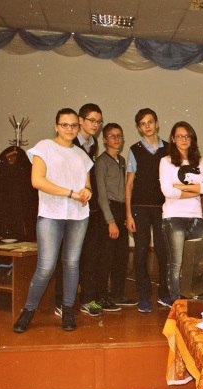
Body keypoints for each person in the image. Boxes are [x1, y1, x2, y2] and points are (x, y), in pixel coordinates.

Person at [13, 108, 93, 333]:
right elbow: (37, 181)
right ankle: (28, 310)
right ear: (56, 126)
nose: (70, 129)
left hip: (78, 215)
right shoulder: (44, 147)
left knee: (71, 264)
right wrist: (70, 193)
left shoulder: (82, 155)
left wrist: (87, 192)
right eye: (65, 125)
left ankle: (68, 310)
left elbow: (87, 185)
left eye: (74, 125)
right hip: (51, 214)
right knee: (46, 266)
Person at [159, 121, 203, 306]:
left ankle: (196, 299)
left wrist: (182, 187)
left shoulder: (199, 161)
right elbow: (167, 191)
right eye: (179, 136)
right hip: (173, 217)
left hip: (195, 216)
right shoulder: (166, 161)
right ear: (173, 139)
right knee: (176, 263)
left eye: (187, 136)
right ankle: (177, 303)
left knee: (202, 259)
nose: (183, 139)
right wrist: (196, 189)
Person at [125, 108, 171, 314]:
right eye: (143, 124)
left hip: (163, 209)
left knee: (164, 252)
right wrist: (128, 213)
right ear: (139, 128)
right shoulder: (134, 150)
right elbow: (129, 184)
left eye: (150, 122)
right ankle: (143, 295)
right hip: (139, 209)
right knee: (141, 252)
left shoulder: (169, 149)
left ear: (157, 123)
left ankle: (164, 293)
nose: (147, 126)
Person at [75, 103, 107, 317]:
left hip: (90, 208)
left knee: (92, 255)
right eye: (92, 120)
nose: (96, 125)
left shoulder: (93, 144)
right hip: (71, 206)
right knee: (70, 257)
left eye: (99, 122)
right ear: (80, 120)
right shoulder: (71, 142)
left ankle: (88, 299)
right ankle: (64, 301)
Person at [93, 123, 128, 313]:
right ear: (105, 139)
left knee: (121, 255)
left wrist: (126, 214)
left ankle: (117, 294)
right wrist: (110, 221)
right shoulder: (102, 162)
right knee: (106, 257)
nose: (116, 139)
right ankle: (101, 296)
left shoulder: (122, 160)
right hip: (108, 211)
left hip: (121, 210)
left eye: (119, 136)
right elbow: (101, 195)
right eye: (112, 136)